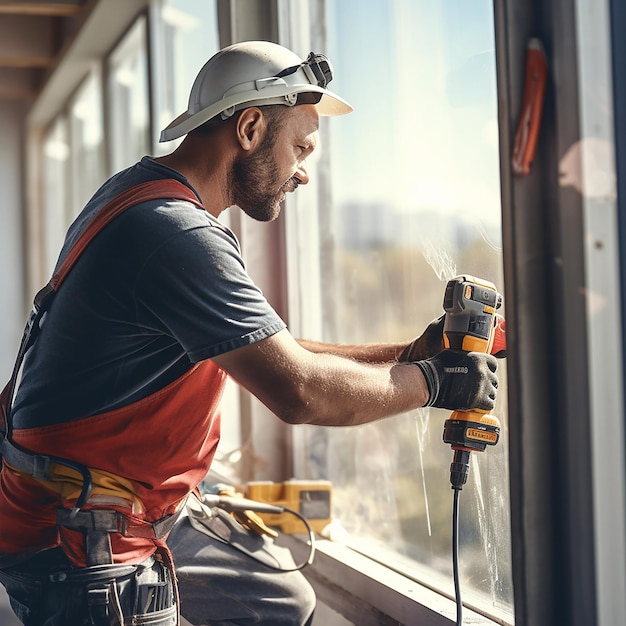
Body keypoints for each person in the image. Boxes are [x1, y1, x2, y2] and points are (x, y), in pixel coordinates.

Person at [0, 40, 499, 626]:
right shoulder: (174, 233)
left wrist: (406, 356)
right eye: (301, 147)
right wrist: (431, 384)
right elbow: (299, 391)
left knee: (278, 604)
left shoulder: (141, 197)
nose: (304, 171)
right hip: (83, 537)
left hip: (112, 496)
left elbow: (272, 350)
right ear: (251, 126)